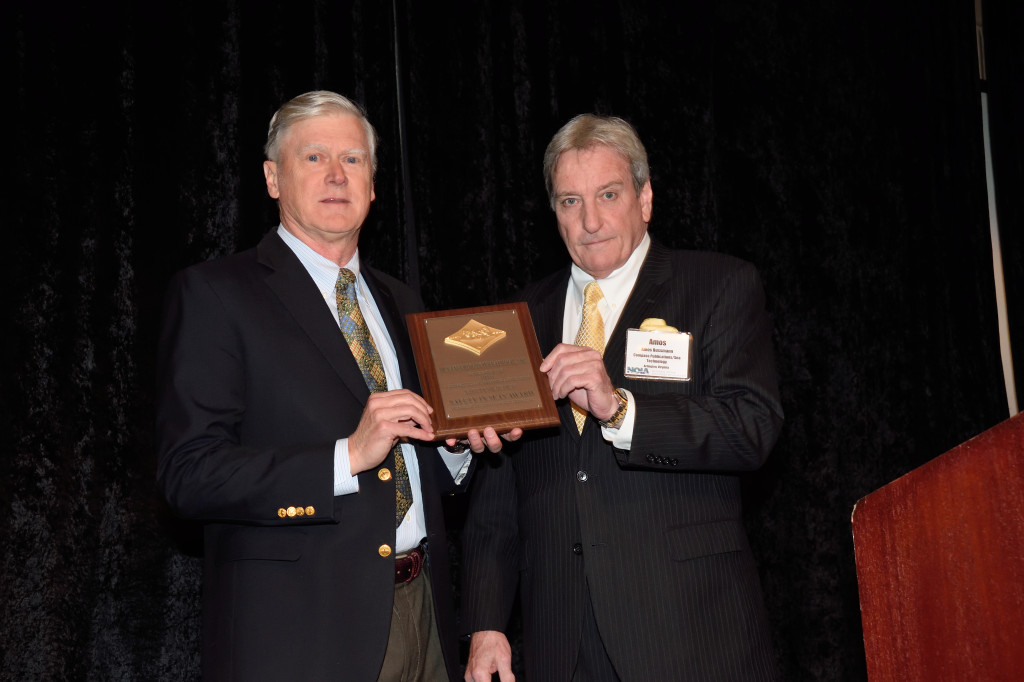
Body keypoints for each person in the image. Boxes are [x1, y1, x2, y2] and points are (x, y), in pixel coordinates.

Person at [156, 90, 512, 681]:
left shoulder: (401, 301)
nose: (336, 175)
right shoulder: (216, 294)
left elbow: (413, 458)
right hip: (300, 635)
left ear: (373, 186)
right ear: (273, 178)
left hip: (422, 613)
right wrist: (346, 457)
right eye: (313, 157)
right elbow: (188, 476)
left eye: (353, 160)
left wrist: (452, 447)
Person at [460, 114, 784, 681]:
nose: (590, 221)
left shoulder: (718, 287)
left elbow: (750, 427)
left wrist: (622, 409)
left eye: (608, 194)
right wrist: (487, 624)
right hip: (559, 638)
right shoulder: (516, 319)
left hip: (688, 630)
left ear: (645, 197)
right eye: (569, 202)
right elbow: (496, 495)